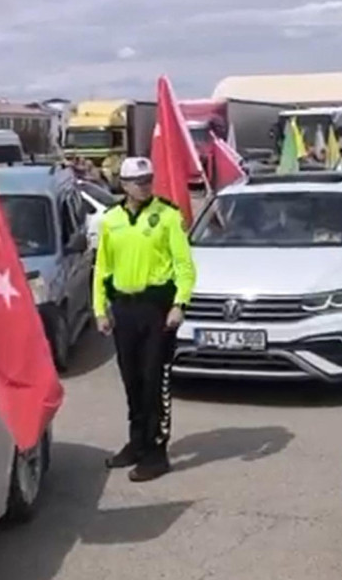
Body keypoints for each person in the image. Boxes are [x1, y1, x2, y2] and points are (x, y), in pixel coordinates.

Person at [93, 157, 196, 482]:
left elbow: (184, 266)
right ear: (123, 185)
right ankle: (137, 442)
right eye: (138, 182)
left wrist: (180, 304)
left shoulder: (167, 215)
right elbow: (102, 268)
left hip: (157, 310)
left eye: (148, 180)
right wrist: (100, 310)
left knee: (154, 381)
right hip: (125, 309)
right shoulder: (111, 219)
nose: (144, 186)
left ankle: (156, 453)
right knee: (132, 380)